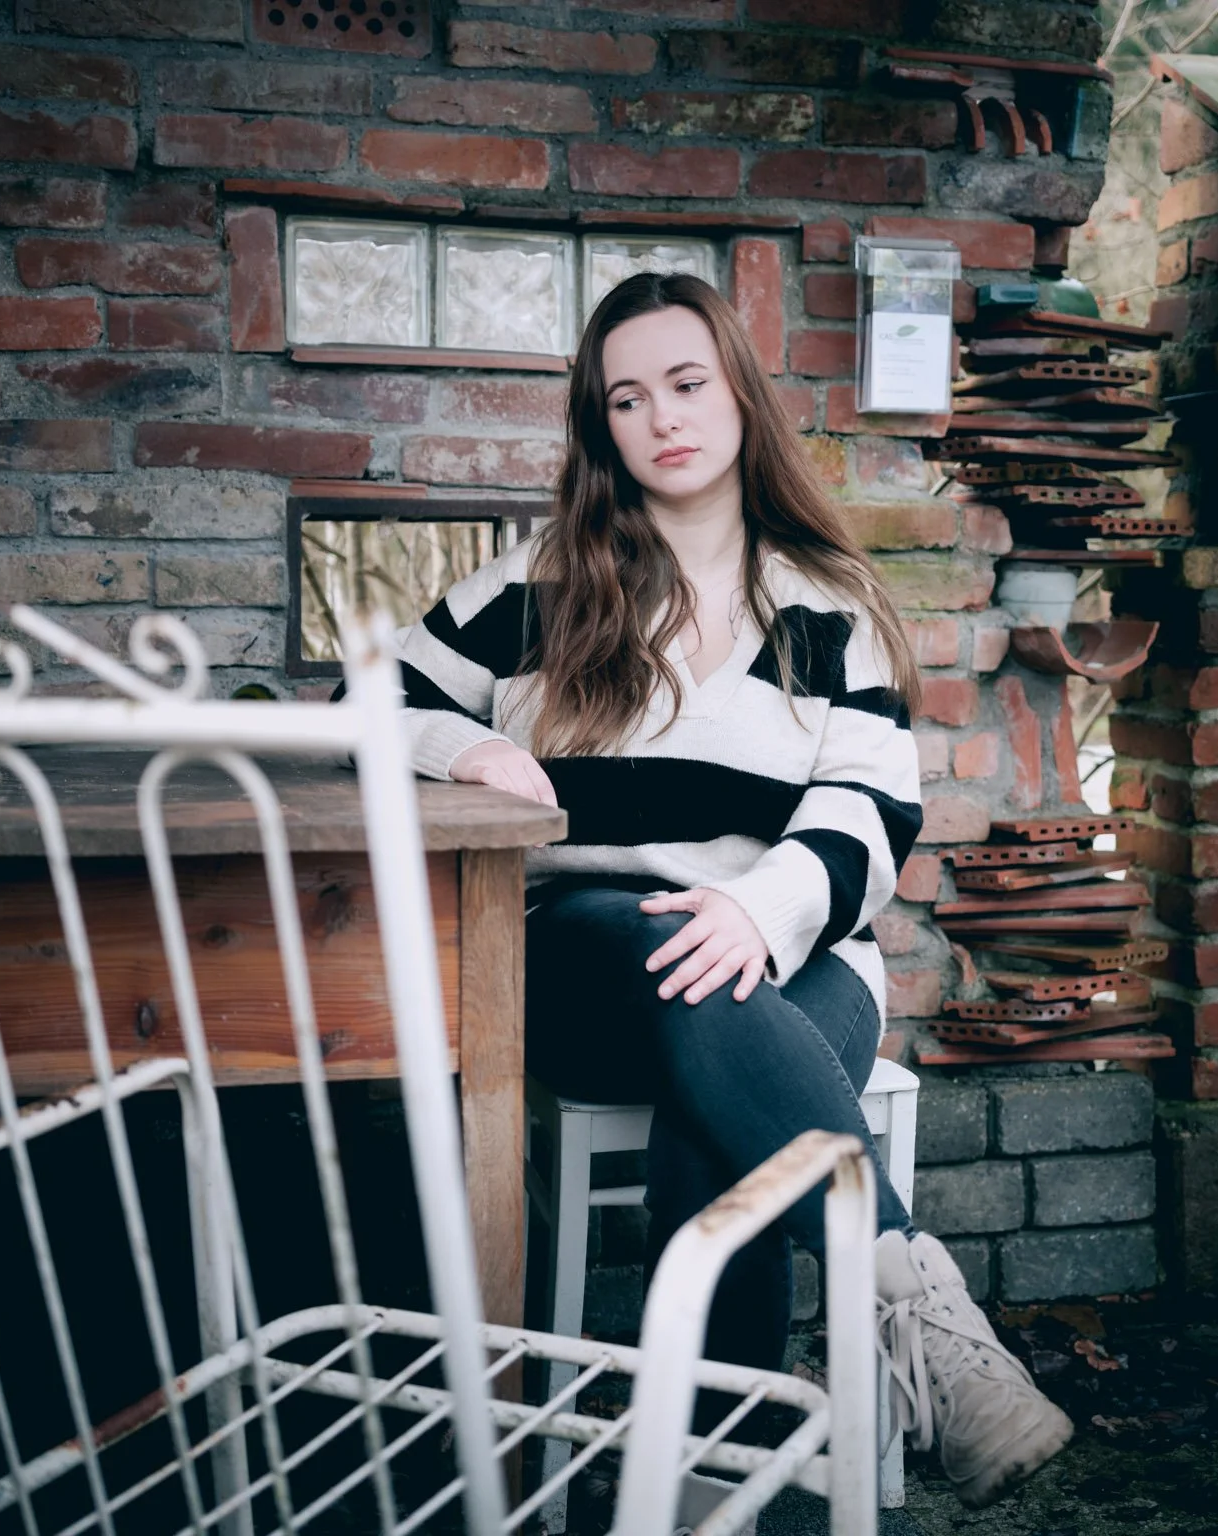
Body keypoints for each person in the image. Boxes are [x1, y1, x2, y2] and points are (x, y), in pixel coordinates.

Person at [388, 272, 1072, 1508]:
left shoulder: (825, 603)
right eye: (628, 398)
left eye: (689, 383)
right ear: (604, 427)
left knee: (718, 1087)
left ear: (741, 397)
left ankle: (707, 1498)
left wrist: (760, 910)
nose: (664, 417)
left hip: (796, 956)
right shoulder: (539, 586)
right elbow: (373, 708)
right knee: (666, 949)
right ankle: (916, 1315)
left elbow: (869, 816)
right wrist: (473, 749)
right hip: (588, 957)